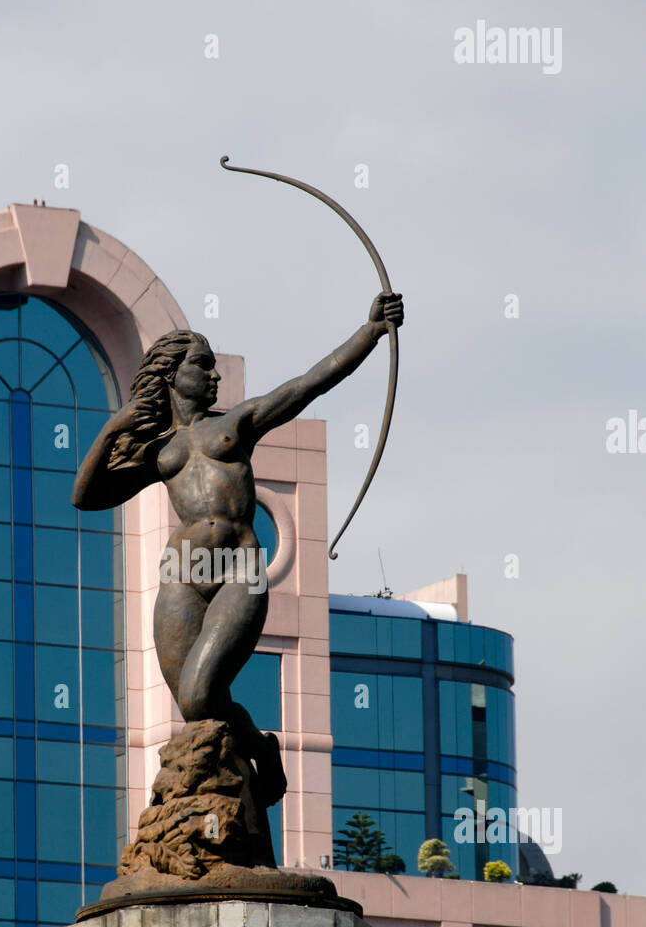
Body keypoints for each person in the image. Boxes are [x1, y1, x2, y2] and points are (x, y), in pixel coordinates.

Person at [73, 290, 404, 804]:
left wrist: (370, 332)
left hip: (237, 569)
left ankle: (261, 753)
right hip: (183, 571)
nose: (214, 376)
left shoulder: (235, 424)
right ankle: (249, 754)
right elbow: (85, 496)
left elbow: (307, 385)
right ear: (172, 375)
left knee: (203, 692)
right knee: (194, 704)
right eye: (202, 366)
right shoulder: (158, 449)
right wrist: (116, 426)